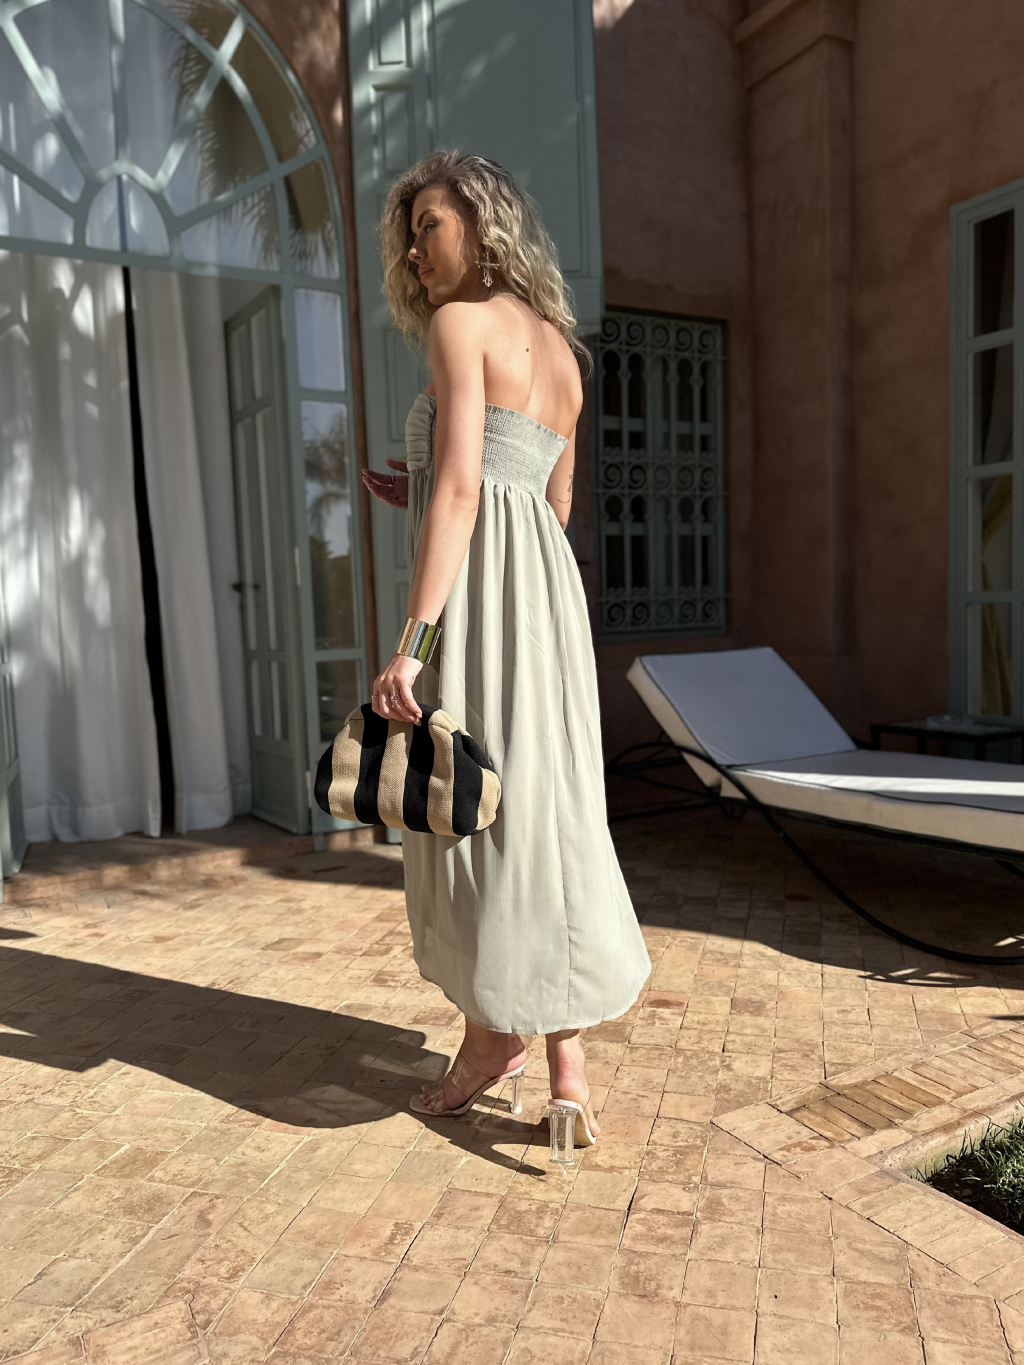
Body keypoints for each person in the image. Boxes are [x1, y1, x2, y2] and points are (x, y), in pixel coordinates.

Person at [362, 149, 650, 1145]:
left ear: (484, 226)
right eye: (409, 233)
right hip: (546, 601)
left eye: (429, 226)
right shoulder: (563, 351)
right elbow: (546, 500)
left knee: (474, 811)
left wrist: (412, 644)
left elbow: (460, 489)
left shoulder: (459, 324)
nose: (414, 249)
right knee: (550, 811)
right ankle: (567, 1069)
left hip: (478, 601)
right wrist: (427, 488)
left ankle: (492, 1040)